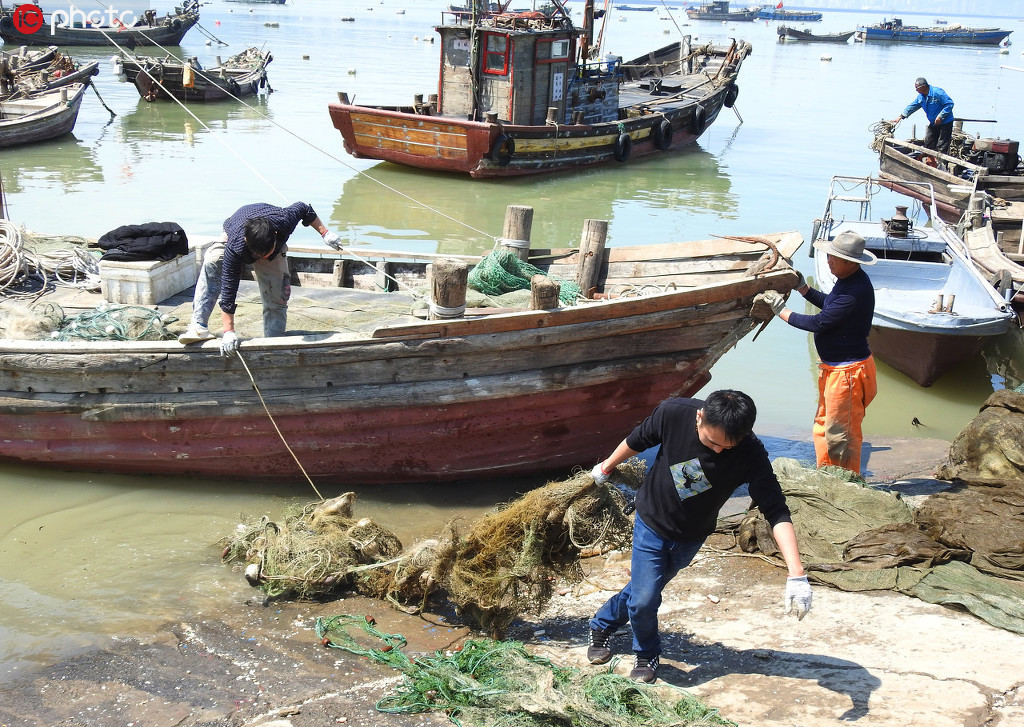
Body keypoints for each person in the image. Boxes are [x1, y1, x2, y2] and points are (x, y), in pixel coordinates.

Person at [587, 390, 812, 684]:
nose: (718, 451)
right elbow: (638, 440)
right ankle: (646, 654)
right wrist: (606, 467)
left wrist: (797, 574)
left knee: (645, 589)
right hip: (651, 521)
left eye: (727, 447)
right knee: (644, 599)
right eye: (711, 442)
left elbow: (776, 510)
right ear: (699, 417)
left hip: (691, 536)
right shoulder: (673, 413)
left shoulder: (751, 453)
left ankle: (602, 623)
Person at [762, 231, 877, 475]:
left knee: (840, 435)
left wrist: (781, 311)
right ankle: (826, 473)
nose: (828, 261)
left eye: (834, 258)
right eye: (828, 255)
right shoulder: (847, 281)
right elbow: (831, 304)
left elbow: (819, 322)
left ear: (851, 262)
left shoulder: (855, 291)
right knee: (823, 427)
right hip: (835, 370)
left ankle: (844, 482)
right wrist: (803, 288)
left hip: (848, 374)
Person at [178, 202, 342, 356]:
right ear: (246, 241)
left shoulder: (284, 220)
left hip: (267, 238)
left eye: (266, 253)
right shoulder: (235, 247)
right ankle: (198, 326)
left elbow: (304, 208)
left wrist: (325, 233)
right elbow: (228, 290)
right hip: (234, 233)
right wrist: (229, 331)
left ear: (275, 235)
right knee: (212, 262)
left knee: (278, 293)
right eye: (259, 255)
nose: (262, 257)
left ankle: (274, 341)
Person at [889, 77, 955, 156]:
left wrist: (940, 116)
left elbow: (949, 104)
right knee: (929, 142)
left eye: (917, 88)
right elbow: (913, 106)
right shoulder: (921, 97)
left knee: (942, 144)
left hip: (945, 122)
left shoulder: (937, 92)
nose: (916, 90)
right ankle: (930, 160)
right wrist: (900, 117)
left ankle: (942, 162)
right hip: (934, 123)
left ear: (923, 86)